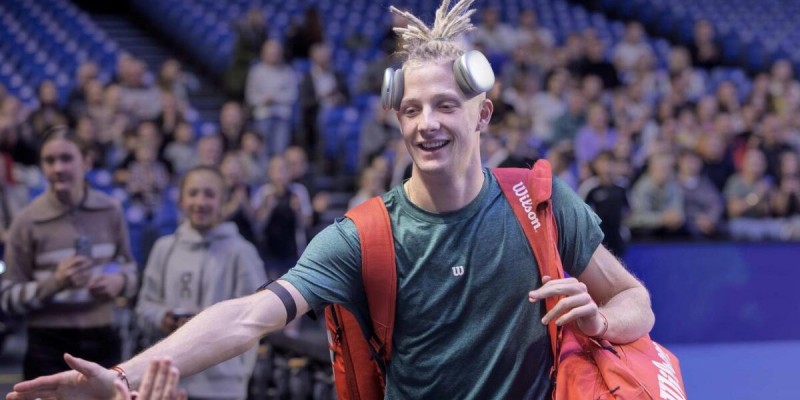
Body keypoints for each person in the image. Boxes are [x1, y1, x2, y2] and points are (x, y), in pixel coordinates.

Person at [7, 1, 654, 399]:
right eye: (411, 108)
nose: (426, 123)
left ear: (482, 115)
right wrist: (126, 376)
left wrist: (600, 323)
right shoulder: (364, 235)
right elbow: (249, 316)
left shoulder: (539, 202)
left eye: (445, 105)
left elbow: (635, 302)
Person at [1, 127, 138, 380]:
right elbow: (8, 298)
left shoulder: (110, 210)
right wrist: (55, 283)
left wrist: (119, 282)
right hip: (47, 345)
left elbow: (129, 270)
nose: (58, 168)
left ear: (86, 161)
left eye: (66, 158)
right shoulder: (26, 221)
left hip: (103, 337)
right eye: (49, 160)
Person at [135, 166, 266, 400]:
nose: (200, 202)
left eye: (209, 194)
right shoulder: (164, 248)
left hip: (223, 387)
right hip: (168, 384)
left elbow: (256, 317)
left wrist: (206, 327)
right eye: (193, 193)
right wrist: (164, 317)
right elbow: (145, 305)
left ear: (223, 202)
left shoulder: (242, 252)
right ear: (181, 200)